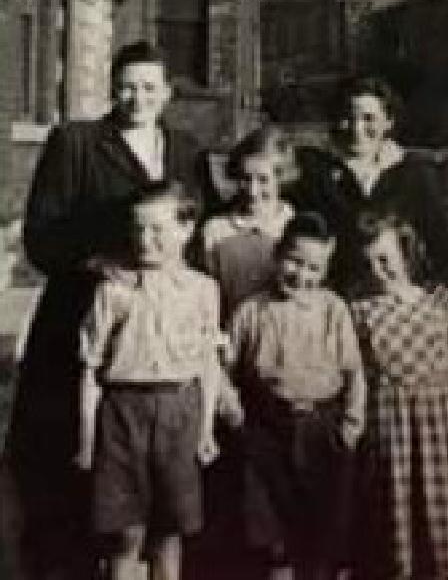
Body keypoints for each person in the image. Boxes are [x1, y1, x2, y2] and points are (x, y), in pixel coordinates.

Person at [6, 41, 200, 579]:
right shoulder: (77, 143)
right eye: (126, 85)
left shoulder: (184, 148)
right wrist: (99, 259)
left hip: (158, 326)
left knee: (153, 470)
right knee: (74, 453)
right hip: (83, 316)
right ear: (113, 87)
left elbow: (196, 230)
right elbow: (42, 238)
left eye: (149, 87)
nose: (136, 97)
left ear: (167, 93)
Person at [77, 182, 228, 580]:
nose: (145, 240)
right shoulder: (113, 290)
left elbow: (208, 364)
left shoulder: (203, 290)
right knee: (125, 534)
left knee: (169, 532)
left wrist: (206, 427)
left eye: (157, 230)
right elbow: (91, 368)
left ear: (186, 229)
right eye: (138, 229)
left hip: (180, 412)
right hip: (123, 414)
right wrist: (87, 436)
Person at [229, 212, 366, 580]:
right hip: (267, 429)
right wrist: (237, 417)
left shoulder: (333, 309)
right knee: (274, 535)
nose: (301, 275)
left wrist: (352, 424)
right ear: (277, 255)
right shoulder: (251, 310)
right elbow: (222, 370)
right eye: (294, 262)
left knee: (326, 531)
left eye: (314, 268)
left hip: (323, 427)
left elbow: (354, 371)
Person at [351, 212, 448, 579]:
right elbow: (357, 379)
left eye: (385, 260)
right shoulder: (360, 310)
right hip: (391, 434)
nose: (378, 271)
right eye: (369, 263)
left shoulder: (440, 304)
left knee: (447, 527)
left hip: (443, 435)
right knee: (396, 522)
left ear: (406, 254)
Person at [291, 75, 448, 296]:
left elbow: (439, 246)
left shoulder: (414, 175)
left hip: (397, 296)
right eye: (348, 117)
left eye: (369, 118)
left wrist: (424, 292)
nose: (357, 128)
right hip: (335, 295)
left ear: (388, 122)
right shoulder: (316, 173)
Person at [201, 125, 297, 326]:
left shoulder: (294, 225)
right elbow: (207, 293)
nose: (253, 191)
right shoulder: (216, 229)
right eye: (245, 179)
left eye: (263, 180)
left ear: (281, 178)